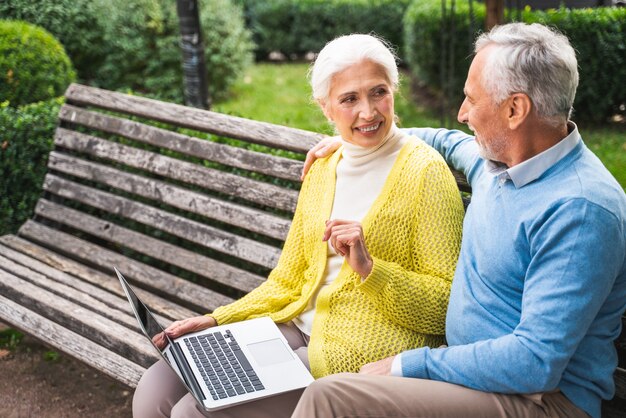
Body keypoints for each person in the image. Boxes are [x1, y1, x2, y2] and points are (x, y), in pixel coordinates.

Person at [295, 22, 626, 418]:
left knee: (330, 398)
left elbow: (534, 362)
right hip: (469, 375)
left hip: (541, 399)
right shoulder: (500, 161)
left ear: (515, 110)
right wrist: (361, 136)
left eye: (472, 99)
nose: (462, 113)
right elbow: (449, 141)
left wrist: (410, 365)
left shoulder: (580, 209)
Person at [132, 33, 465, 418]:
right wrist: (216, 319)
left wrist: (371, 270)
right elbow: (288, 279)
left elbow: (445, 305)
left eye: (379, 93)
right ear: (325, 108)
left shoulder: (424, 172)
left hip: (354, 348)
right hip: (291, 327)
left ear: (394, 90)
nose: (369, 112)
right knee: (154, 391)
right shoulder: (324, 167)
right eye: (349, 99)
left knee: (192, 411)